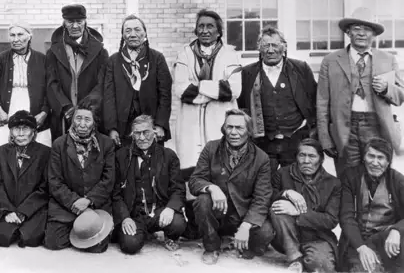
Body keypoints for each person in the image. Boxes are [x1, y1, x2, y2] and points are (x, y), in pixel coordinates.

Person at [317, 7, 404, 177]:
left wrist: (387, 89)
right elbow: (321, 103)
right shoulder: (331, 61)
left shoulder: (388, 59)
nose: (362, 33)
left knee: (377, 177)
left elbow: (401, 95)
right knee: (348, 178)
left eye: (367, 29)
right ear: (348, 32)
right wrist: (325, 138)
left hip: (377, 126)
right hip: (344, 128)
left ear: (374, 34)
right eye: (357, 29)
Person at [189, 108, 274, 265]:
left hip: (243, 214)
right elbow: (195, 180)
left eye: (239, 128)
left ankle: (240, 240)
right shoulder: (211, 148)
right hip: (218, 213)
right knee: (202, 200)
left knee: (266, 233)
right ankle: (212, 246)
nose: (233, 132)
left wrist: (247, 225)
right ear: (224, 128)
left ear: (248, 131)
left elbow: (262, 197)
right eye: (229, 127)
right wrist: (212, 188)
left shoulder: (261, 158)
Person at [170, 9, 241, 176]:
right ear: (195, 30)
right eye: (200, 26)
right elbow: (182, 90)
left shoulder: (230, 55)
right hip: (190, 124)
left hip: (219, 121)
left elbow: (233, 90)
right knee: (192, 173)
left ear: (218, 32)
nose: (205, 30)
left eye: (210, 26)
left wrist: (199, 85)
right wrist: (216, 90)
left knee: (222, 171)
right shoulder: (184, 54)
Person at [238, 26, 317, 172]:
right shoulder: (248, 73)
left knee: (296, 182)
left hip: (295, 140)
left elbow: (314, 102)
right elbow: (242, 106)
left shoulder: (301, 69)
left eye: (275, 45)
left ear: (284, 47)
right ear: (259, 48)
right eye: (265, 45)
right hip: (262, 142)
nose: (270, 50)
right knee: (265, 184)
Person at [44, 100, 115, 252]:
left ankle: (85, 226)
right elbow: (54, 181)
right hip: (66, 205)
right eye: (78, 118)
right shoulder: (59, 144)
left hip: (94, 204)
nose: (82, 124)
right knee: (53, 243)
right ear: (72, 120)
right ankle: (76, 225)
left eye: (87, 119)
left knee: (97, 247)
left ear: (94, 123)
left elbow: (108, 180)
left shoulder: (106, 144)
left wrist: (89, 200)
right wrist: (75, 202)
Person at [112, 115, 186, 254]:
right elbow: (115, 194)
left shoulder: (168, 156)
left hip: (159, 211)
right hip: (134, 213)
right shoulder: (121, 156)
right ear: (132, 135)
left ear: (154, 132)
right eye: (137, 133)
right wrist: (125, 218)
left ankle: (169, 236)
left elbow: (178, 188)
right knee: (130, 246)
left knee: (178, 224)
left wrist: (170, 208)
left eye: (145, 132)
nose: (141, 138)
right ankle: (141, 233)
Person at [270, 138, 340, 272]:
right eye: (302, 155)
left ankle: (307, 257)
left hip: (316, 237)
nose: (306, 161)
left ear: (321, 159)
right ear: (296, 157)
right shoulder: (283, 173)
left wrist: (298, 212)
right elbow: (267, 196)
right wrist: (285, 193)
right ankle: (295, 258)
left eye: (312, 156)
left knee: (321, 265)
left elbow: (330, 220)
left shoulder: (333, 184)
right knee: (278, 206)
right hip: (286, 235)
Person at [103, 15, 172, 148]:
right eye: (128, 31)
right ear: (123, 35)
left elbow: (165, 95)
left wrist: (160, 125)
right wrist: (112, 128)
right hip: (122, 127)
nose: (133, 34)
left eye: (137, 30)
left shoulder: (157, 58)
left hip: (151, 125)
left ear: (145, 33)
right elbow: (108, 97)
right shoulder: (113, 61)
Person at [339, 138, 404, 273]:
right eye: (371, 156)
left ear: (388, 162)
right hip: (358, 241)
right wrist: (361, 247)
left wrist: (397, 230)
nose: (375, 163)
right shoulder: (351, 177)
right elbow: (346, 217)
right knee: (366, 270)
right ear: (364, 157)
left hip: (386, 239)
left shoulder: (397, 180)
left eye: (380, 158)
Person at [46, 4, 108, 140]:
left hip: (91, 113)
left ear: (85, 22)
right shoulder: (53, 52)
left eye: (79, 22)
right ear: (64, 23)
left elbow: (102, 82)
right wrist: (66, 107)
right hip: (63, 115)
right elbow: (51, 82)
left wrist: (85, 108)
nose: (75, 26)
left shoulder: (100, 52)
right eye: (70, 22)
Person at [0, 111, 50, 247]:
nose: (21, 134)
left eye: (26, 129)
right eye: (17, 129)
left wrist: (23, 212)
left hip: (33, 210)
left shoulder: (46, 153)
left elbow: (44, 188)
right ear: (10, 132)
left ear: (34, 132)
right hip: (6, 208)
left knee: (30, 239)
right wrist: (7, 211)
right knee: (2, 237)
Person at [0, 23, 50, 147]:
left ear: (29, 36)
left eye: (20, 35)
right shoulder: (1, 59)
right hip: (7, 109)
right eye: (12, 35)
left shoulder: (42, 59)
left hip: (34, 109)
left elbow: (50, 89)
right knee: (1, 147)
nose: (16, 39)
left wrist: (44, 113)